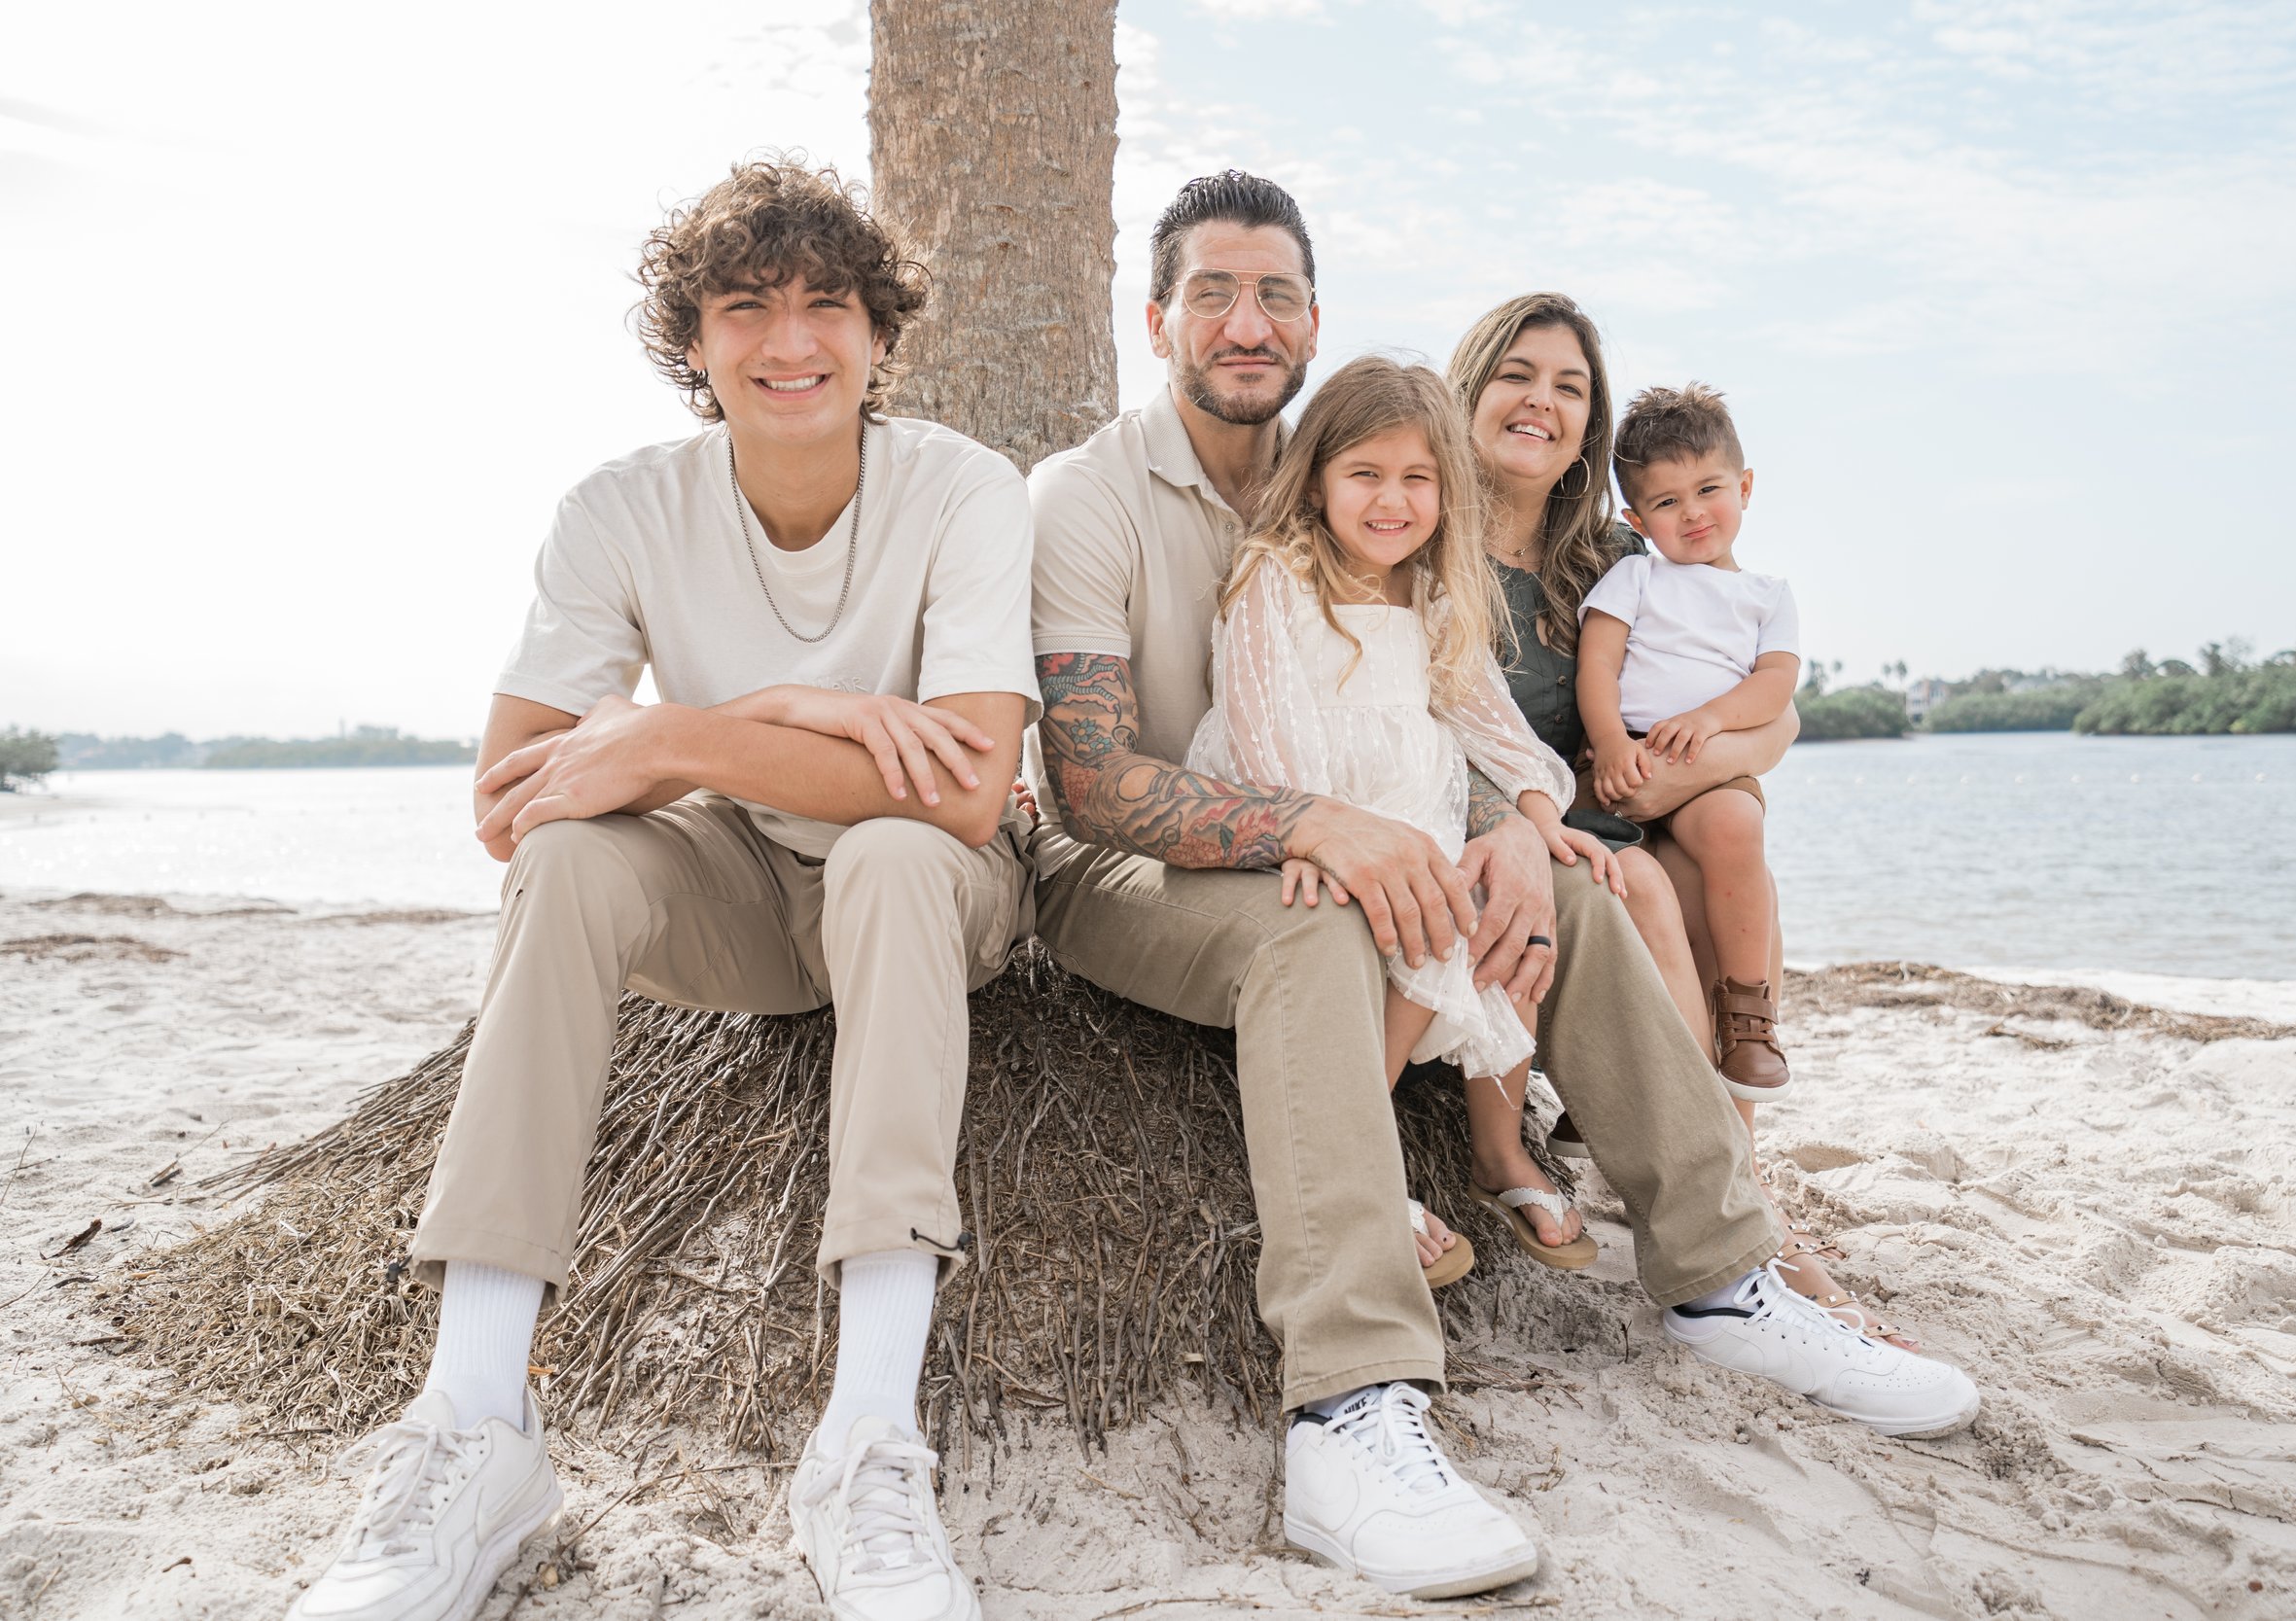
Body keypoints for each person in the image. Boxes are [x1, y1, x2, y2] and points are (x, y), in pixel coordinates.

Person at [1026, 173, 1981, 1602]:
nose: (1247, 318)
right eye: (1213, 291)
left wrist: (1525, 827)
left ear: (1312, 318)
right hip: (1133, 865)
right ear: (1157, 316)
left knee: (1583, 895)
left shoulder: (1367, 460)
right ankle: (1349, 1401)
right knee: (1321, 931)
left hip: (1357, 825)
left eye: (1276, 290)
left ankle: (1725, 1273)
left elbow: (1446, 702)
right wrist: (1331, 829)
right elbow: (1094, 781)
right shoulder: (1087, 493)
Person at [288, 157, 1034, 1621]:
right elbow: (515, 797)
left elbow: (959, 789)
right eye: (745, 306)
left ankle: (868, 1438)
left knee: (887, 852)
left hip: (938, 885)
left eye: (830, 304)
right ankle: (476, 1421)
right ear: (692, 344)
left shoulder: (964, 488)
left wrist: (685, 730)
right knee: (570, 858)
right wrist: (799, 711)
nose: (791, 339)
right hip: (741, 882)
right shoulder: (622, 509)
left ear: (884, 336)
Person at [1449, 293, 1921, 1348]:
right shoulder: (1420, 531)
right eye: (1517, 375)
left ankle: (1738, 1172)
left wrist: (1708, 766)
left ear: (1592, 425)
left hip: (1624, 803)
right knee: (1658, 886)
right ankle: (1723, 1207)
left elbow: (1776, 706)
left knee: (1724, 853)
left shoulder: (1617, 547)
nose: (1541, 401)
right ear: (1468, 388)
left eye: (1569, 386)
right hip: (1511, 813)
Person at [1183, 356, 1619, 1284]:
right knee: (1421, 924)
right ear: (1318, 477)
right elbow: (1260, 712)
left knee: (1494, 913)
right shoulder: (1277, 573)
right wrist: (1306, 826)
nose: (1393, 501)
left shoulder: (1427, 589)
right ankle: (1362, 1152)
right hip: (1313, 808)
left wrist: (1541, 812)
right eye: (1367, 475)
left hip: (1415, 813)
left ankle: (1500, 1149)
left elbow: (1481, 714)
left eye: (1418, 479)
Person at [1581, 381, 1799, 1099]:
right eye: (1668, 502)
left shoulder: (1767, 595)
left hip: (1709, 763)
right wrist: (1611, 741)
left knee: (1738, 826)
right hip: (1632, 755)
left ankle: (1747, 1016)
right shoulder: (1635, 575)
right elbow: (1599, 664)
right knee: (1646, 905)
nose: (1694, 513)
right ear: (1635, 516)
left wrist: (1710, 721)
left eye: (1709, 489)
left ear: (1744, 486)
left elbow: (1774, 688)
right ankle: (1617, 1075)